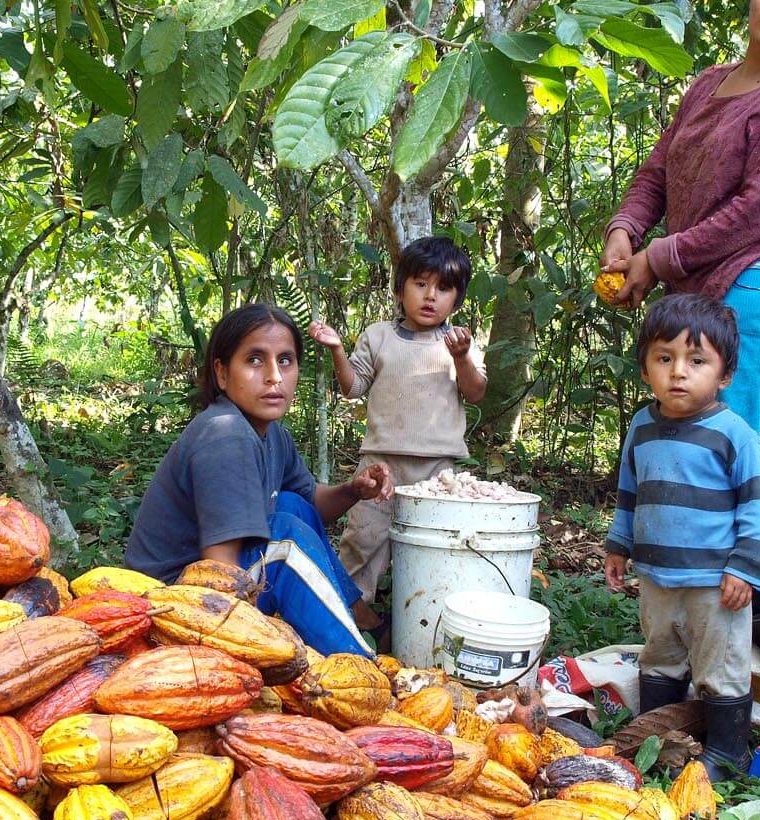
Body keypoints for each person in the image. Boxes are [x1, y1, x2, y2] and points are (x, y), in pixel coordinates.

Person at [601, 0, 760, 596]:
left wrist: (656, 257)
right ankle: (685, 635)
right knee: (677, 461)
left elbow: (759, 207)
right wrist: (625, 231)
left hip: (752, 282)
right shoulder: (708, 82)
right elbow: (655, 173)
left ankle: (758, 640)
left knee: (718, 466)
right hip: (689, 294)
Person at [123, 304, 390, 658]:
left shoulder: (271, 434)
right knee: (285, 540)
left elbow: (312, 506)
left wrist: (354, 490)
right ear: (221, 373)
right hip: (170, 605)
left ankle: (360, 617)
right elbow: (219, 572)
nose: (274, 376)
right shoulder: (225, 435)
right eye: (254, 360)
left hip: (208, 588)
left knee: (292, 505)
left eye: (285, 360)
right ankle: (361, 666)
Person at [605, 295, 760, 781]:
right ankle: (655, 736)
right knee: (660, 655)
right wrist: (619, 546)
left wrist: (744, 566)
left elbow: (757, 505)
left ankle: (727, 751)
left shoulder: (733, 433)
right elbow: (630, 493)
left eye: (696, 361)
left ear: (723, 375)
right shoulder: (641, 426)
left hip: (715, 582)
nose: (679, 372)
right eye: (665, 358)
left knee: (719, 663)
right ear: (645, 368)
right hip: (656, 576)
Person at [309, 236, 487, 633]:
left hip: (438, 471)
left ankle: (427, 624)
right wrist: (339, 349)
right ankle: (350, 617)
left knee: (435, 548)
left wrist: (461, 358)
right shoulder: (378, 336)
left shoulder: (459, 342)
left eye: (443, 288)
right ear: (399, 287)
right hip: (379, 465)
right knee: (363, 541)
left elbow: (475, 393)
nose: (430, 296)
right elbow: (353, 387)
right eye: (420, 284)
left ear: (456, 300)